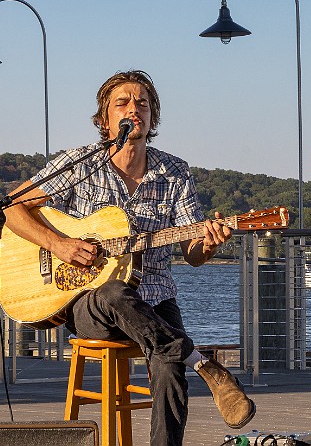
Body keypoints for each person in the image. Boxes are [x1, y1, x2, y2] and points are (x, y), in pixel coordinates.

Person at [4, 70, 255, 446]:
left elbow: (194, 255)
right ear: (105, 121)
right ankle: (203, 362)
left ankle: (183, 369)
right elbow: (12, 210)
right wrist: (60, 245)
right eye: (122, 103)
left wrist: (211, 242)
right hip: (88, 303)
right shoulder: (79, 164)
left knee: (169, 370)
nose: (133, 109)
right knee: (113, 291)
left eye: (143, 103)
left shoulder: (174, 172)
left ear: (153, 118)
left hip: (155, 296)